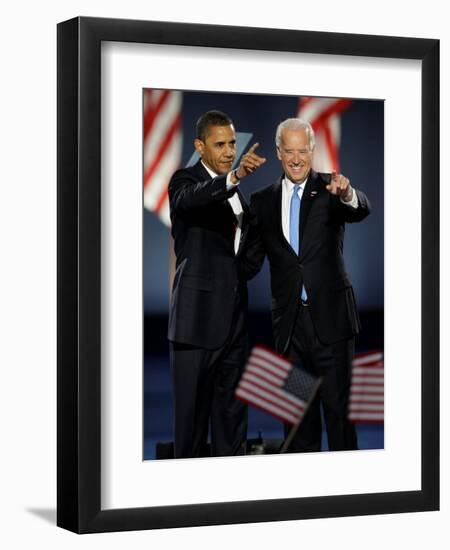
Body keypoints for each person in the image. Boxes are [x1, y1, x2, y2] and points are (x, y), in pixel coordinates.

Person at [245, 118, 371, 452]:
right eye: (290, 151)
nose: (297, 158)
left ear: (313, 150)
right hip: (290, 333)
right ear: (278, 152)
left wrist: (347, 194)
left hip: (331, 326)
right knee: (297, 422)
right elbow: (248, 262)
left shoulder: (332, 188)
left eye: (303, 150)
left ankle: (348, 499)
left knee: (339, 419)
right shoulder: (262, 202)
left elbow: (361, 209)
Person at [168, 110, 266, 458]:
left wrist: (241, 275)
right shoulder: (184, 181)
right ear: (200, 146)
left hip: (235, 326)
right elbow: (190, 199)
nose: (228, 151)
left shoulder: (237, 194)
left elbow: (246, 250)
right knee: (191, 430)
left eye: (233, 144)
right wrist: (234, 176)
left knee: (232, 425)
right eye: (220, 144)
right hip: (195, 325)